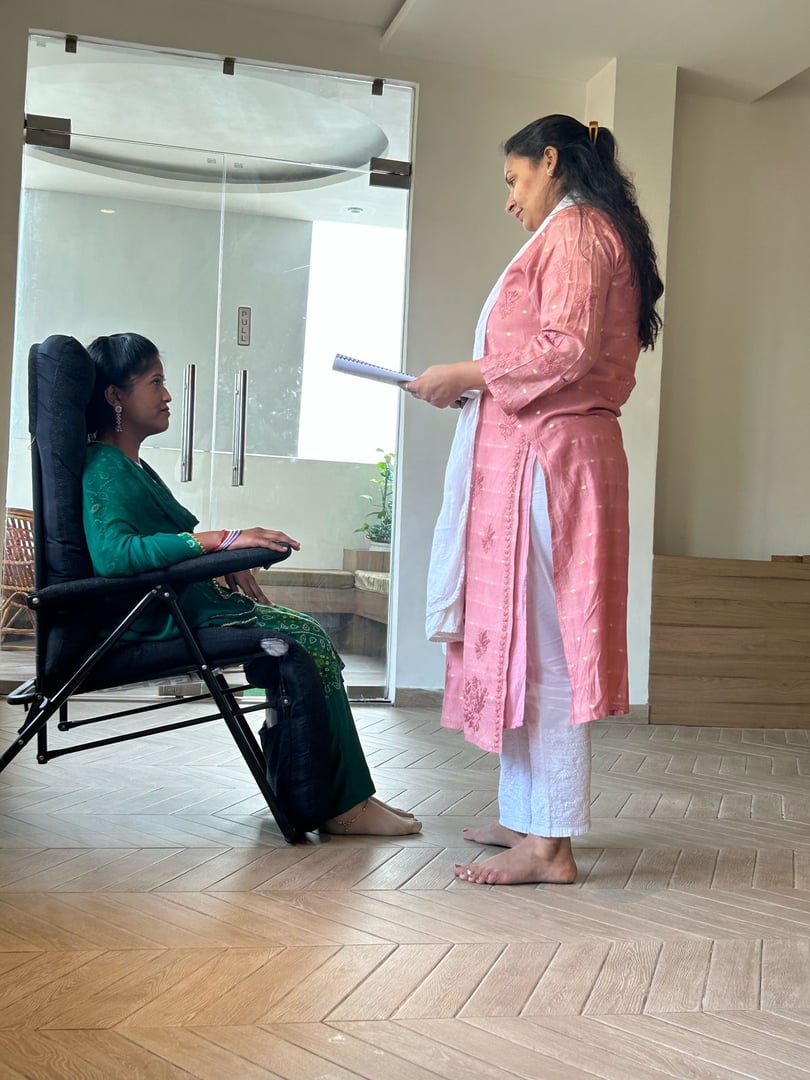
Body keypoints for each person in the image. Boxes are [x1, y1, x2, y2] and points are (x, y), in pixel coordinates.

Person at [406, 114, 663, 885]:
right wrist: (473, 386)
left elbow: (566, 348)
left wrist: (466, 374)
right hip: (543, 458)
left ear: (551, 161)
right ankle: (526, 817)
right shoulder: (575, 230)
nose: (509, 198)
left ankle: (551, 847)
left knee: (546, 650)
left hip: (552, 465)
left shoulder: (579, 231)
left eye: (515, 179)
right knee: (525, 642)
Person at [83, 332, 421, 838]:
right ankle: (344, 804)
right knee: (302, 637)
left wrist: (218, 557)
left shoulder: (130, 466)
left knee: (304, 636)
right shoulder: (104, 468)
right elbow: (116, 555)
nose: (168, 395)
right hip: (157, 621)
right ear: (115, 395)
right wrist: (221, 542)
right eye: (155, 383)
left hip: (182, 605)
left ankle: (345, 794)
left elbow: (158, 541)